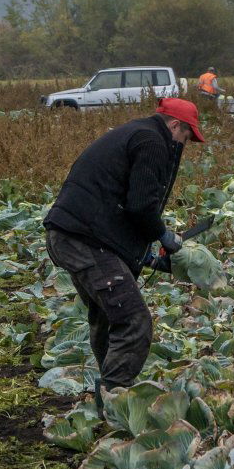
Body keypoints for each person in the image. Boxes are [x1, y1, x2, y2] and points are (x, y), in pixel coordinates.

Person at [43, 99, 205, 391]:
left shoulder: (135, 132)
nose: (185, 143)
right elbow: (141, 206)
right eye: (186, 136)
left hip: (69, 234)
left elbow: (117, 205)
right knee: (134, 321)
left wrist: (147, 256)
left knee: (107, 316)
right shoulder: (153, 141)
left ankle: (109, 390)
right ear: (175, 125)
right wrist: (163, 235)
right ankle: (116, 395)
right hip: (86, 240)